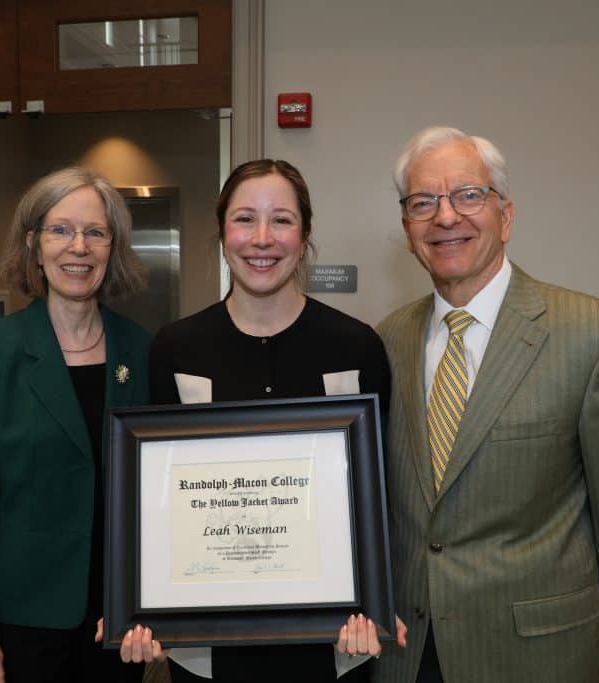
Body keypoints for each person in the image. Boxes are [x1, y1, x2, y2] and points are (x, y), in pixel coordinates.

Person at [373, 126, 599, 682]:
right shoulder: (385, 340)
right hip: (407, 650)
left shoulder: (593, 334)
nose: (446, 217)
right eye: (422, 202)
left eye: (468, 195)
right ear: (408, 230)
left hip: (536, 654)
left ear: (506, 215)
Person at [114, 159, 403, 682]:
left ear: (306, 234)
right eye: (245, 219)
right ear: (222, 232)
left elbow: (378, 491)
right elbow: (154, 497)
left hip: (334, 636)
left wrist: (378, 599)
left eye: (283, 220)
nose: (262, 239)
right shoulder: (176, 349)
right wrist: (143, 604)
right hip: (209, 638)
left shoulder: (356, 345)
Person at [0, 167, 151, 683]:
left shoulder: (144, 350)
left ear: (112, 248)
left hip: (121, 612)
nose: (77, 247)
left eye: (95, 233)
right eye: (60, 230)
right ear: (34, 245)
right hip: (26, 615)